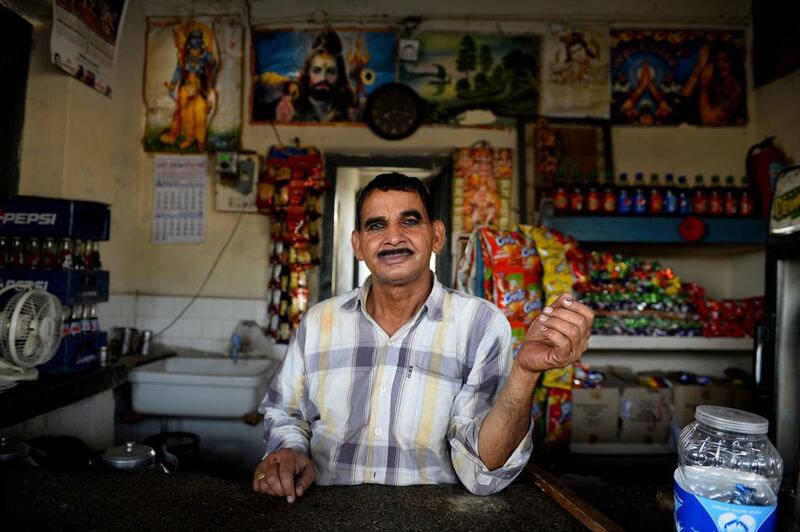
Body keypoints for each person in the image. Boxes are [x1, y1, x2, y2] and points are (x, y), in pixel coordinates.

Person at [253, 173, 593, 501]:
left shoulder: (480, 325)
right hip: (325, 513)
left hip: (435, 517)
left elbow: (483, 470)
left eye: (410, 221)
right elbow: (285, 412)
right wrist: (288, 451)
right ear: (358, 245)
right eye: (376, 225)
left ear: (437, 235)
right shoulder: (319, 323)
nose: (393, 237)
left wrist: (525, 372)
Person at [159, 21, 219, 151]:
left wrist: (212, 66)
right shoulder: (183, 55)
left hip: (200, 87)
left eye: (199, 37)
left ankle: (201, 141)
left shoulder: (206, 55)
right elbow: (178, 70)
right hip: (185, 86)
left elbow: (212, 71)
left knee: (199, 114)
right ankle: (189, 138)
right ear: (189, 40)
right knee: (185, 114)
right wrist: (172, 85)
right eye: (193, 37)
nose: (196, 40)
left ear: (202, 39)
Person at [280, 30, 357, 122]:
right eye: (317, 70)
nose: (323, 78)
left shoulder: (350, 110)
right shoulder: (292, 109)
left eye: (331, 71)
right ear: (308, 74)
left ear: (339, 76)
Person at [681, 43, 744, 126]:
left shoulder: (733, 90)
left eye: (725, 60)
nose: (720, 65)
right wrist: (700, 66)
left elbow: (707, 120)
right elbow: (684, 97)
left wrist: (704, 88)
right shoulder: (715, 80)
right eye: (718, 61)